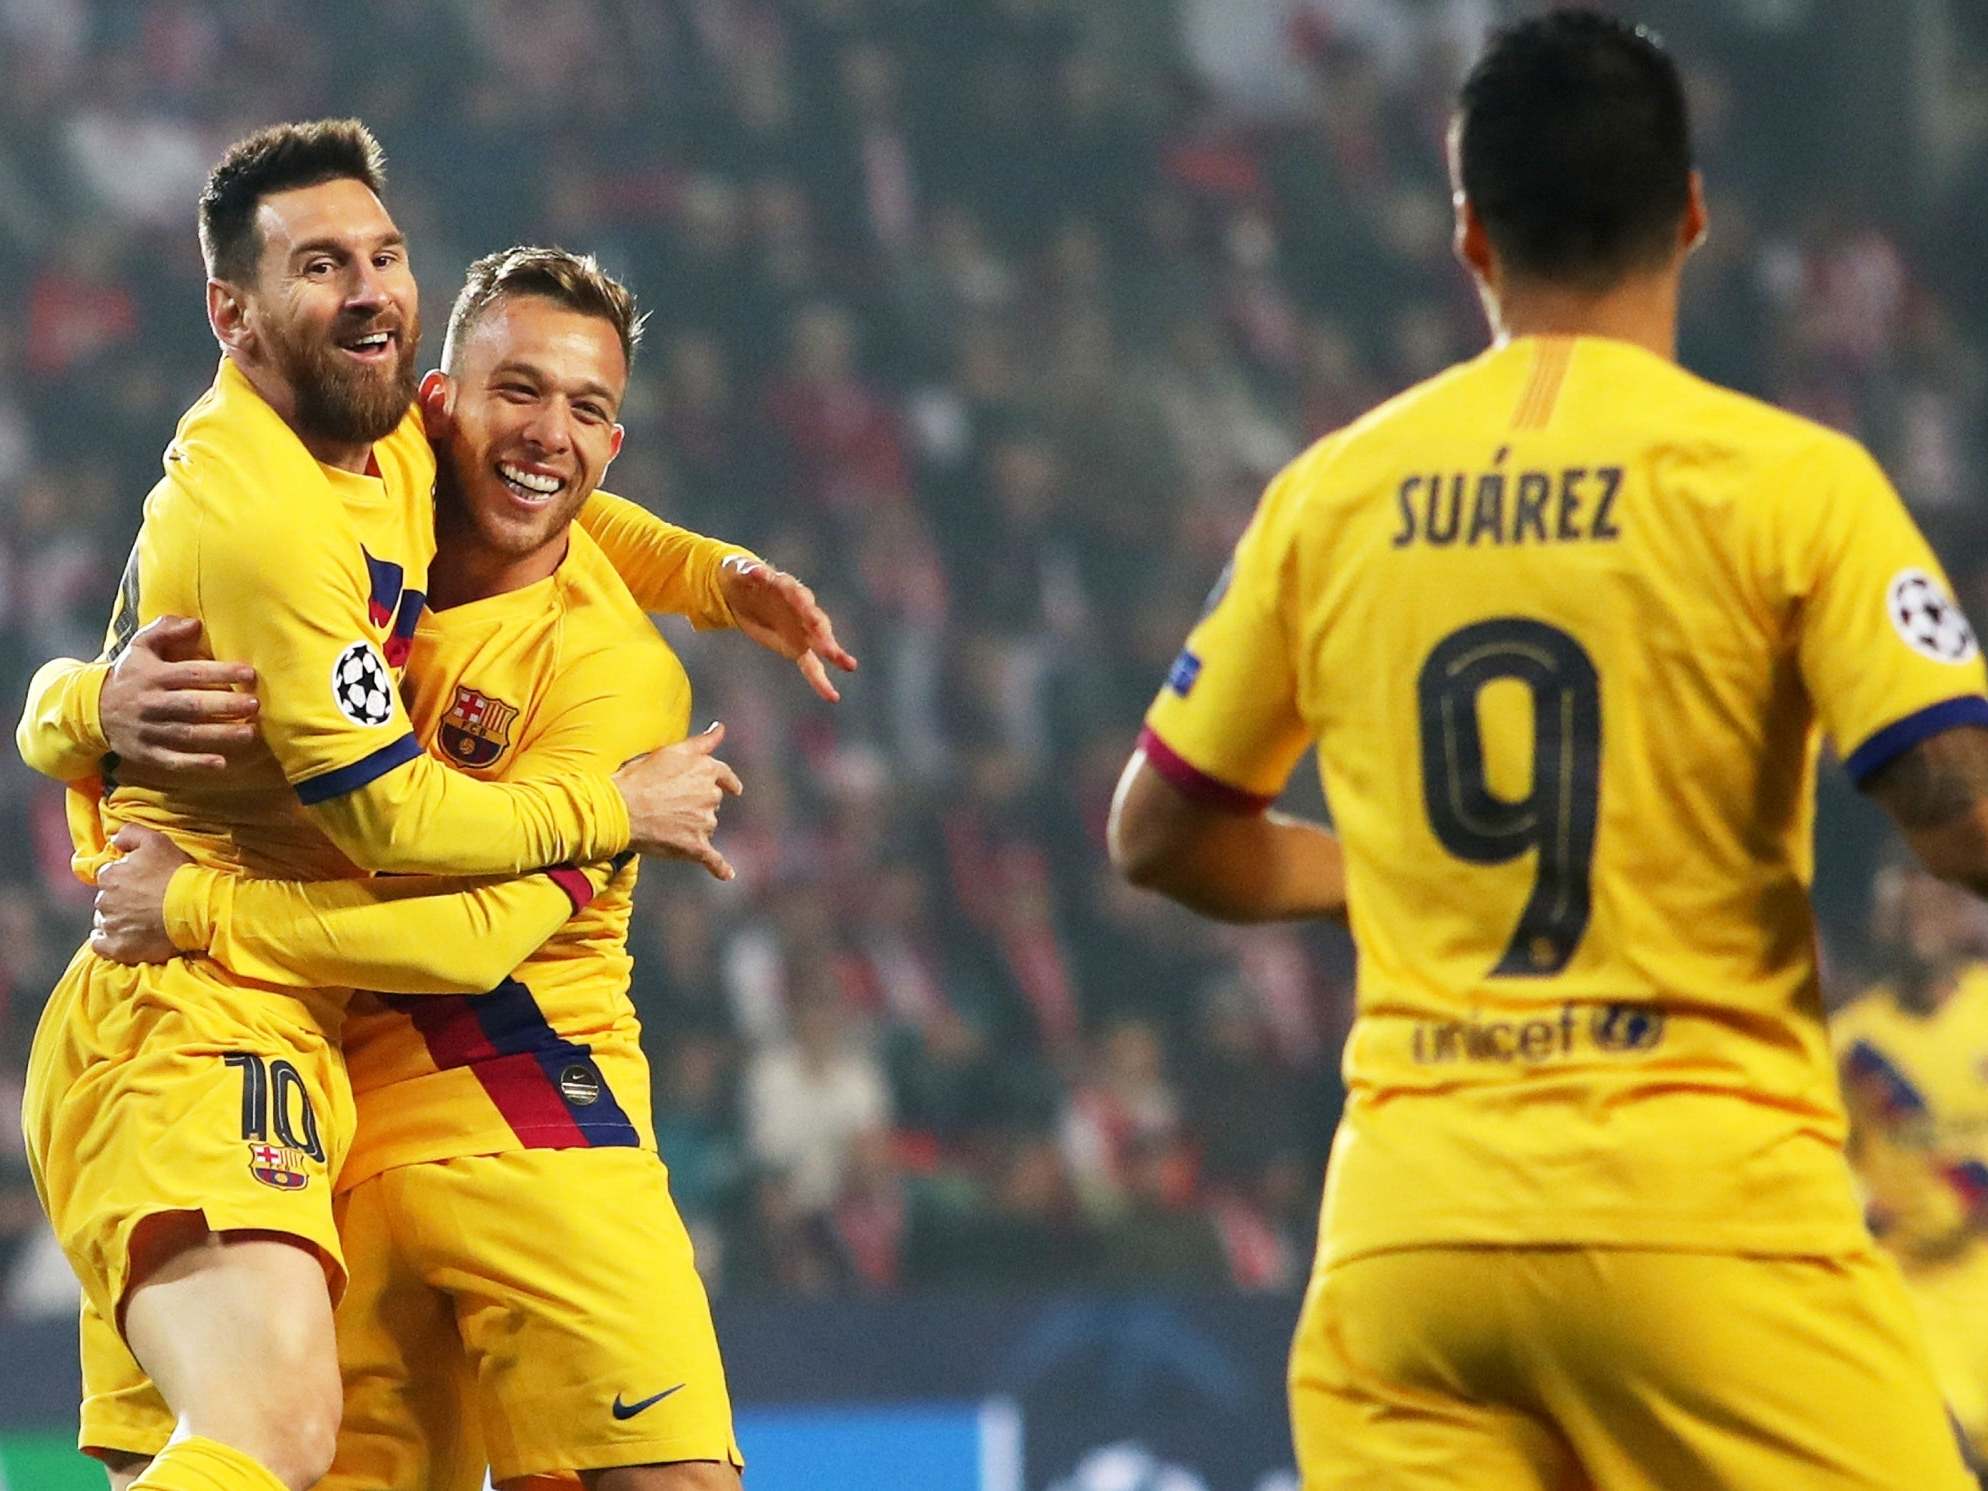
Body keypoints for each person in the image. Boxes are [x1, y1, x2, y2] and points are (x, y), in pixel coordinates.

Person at [1109, 12, 1983, 1490]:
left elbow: (1159, 833)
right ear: (1693, 213)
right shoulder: (1789, 483)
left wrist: (1384, 874)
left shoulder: (1330, 494)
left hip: (1409, 1240)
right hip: (1702, 1219)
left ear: (1469, 236)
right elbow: (1957, 813)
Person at [14, 120, 847, 1491]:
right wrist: (79, 706)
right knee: (266, 1430)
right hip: (242, 1043)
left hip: (512, 1104)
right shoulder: (307, 510)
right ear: (450, 397)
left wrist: (708, 570)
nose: (549, 438)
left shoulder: (605, 662)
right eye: (519, 393)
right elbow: (394, 828)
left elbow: (473, 940)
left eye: (384, 256)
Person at [1834, 858, 1988, 1469]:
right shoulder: (1854, 1042)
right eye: (1901, 907)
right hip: (1916, 1297)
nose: (1917, 920)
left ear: (1960, 918)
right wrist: (1860, 1205)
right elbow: (1824, 1154)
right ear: (1879, 925)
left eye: (1931, 902)